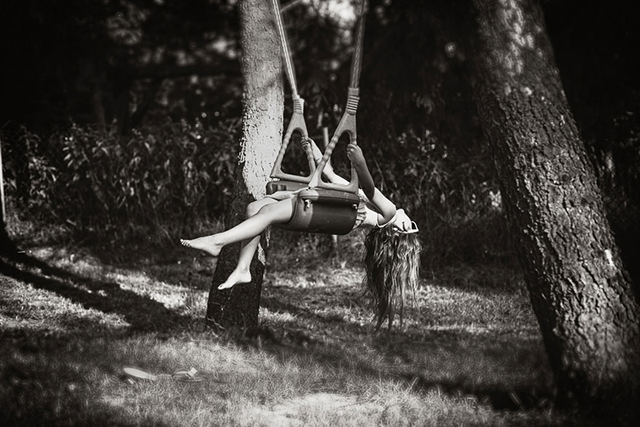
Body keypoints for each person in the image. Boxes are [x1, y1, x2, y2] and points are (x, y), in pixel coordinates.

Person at [181, 139, 422, 328]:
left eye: (410, 224)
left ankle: (217, 241)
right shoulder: (371, 210)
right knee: (254, 208)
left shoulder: (388, 213)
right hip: (324, 208)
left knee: (266, 213)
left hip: (322, 210)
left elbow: (369, 187)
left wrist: (360, 163)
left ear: (399, 229)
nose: (409, 218)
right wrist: (315, 153)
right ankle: (243, 269)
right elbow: (331, 176)